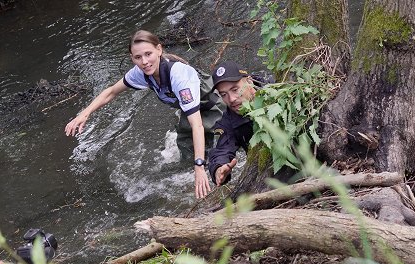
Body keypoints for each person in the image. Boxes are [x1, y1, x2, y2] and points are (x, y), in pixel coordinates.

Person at [65, 30, 223, 199]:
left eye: (148, 54)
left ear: (159, 50)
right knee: (186, 151)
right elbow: (111, 92)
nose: (145, 62)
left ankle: (217, 181)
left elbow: (197, 125)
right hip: (190, 111)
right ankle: (195, 189)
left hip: (213, 106)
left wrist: (199, 166)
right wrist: (85, 114)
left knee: (217, 150)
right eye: (138, 57)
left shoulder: (178, 76)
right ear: (132, 58)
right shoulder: (140, 73)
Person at [208, 61, 267, 186]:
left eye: (235, 90)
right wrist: (218, 169)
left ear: (249, 82)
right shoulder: (228, 121)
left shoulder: (274, 90)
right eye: (224, 94)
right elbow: (221, 150)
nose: (231, 99)